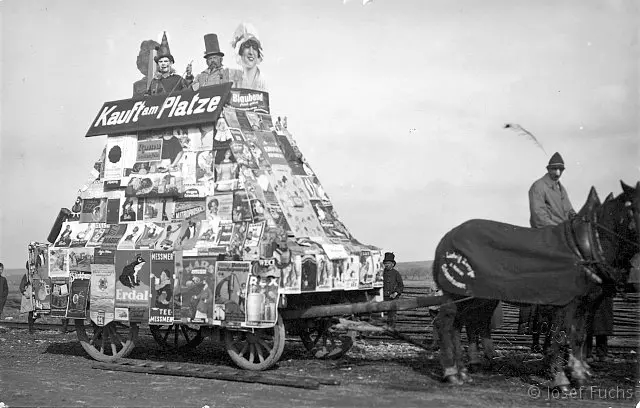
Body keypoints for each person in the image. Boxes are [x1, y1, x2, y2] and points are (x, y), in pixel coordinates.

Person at [519, 152, 576, 351]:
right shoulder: (538, 187)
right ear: (548, 169)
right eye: (554, 169)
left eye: (561, 169)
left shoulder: (561, 188)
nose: (558, 172)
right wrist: (562, 228)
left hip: (561, 235)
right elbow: (539, 216)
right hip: (546, 235)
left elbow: (569, 210)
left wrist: (576, 220)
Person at [146, 32, 192, 96]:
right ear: (158, 64)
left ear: (170, 63)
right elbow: (147, 98)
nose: (163, 64)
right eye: (161, 62)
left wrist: (189, 75)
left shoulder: (178, 79)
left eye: (165, 61)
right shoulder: (154, 82)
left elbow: (189, 90)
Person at [229, 23, 268, 91]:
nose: (251, 52)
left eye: (254, 47)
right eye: (247, 46)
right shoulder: (234, 81)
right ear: (239, 50)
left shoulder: (263, 81)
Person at [381, 252, 404, 329]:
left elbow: (401, 285)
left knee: (392, 315)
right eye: (385, 263)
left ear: (393, 264)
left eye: (388, 263)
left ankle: (391, 330)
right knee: (378, 314)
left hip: (393, 297)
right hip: (382, 297)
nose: (386, 265)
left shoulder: (396, 274)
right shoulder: (381, 273)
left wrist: (396, 293)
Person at [20, 262, 38, 334]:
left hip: (36, 295)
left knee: (36, 313)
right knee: (31, 312)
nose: (32, 268)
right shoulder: (26, 276)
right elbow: (21, 286)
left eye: (34, 267)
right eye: (31, 267)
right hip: (30, 296)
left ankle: (31, 327)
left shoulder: (37, 275)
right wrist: (24, 292)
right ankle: (31, 328)